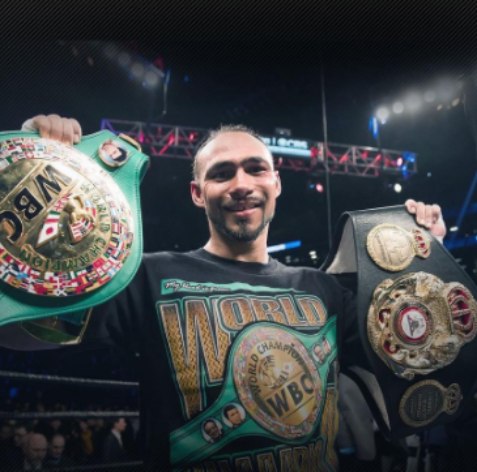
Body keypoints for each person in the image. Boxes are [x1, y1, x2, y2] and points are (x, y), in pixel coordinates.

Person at [1, 114, 446, 471]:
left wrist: (429, 258)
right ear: (198, 193)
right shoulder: (148, 276)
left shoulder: (322, 289)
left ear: (276, 184)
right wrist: (39, 175)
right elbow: (24, 333)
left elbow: (419, 358)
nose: (241, 184)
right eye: (222, 173)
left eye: (256, 169)